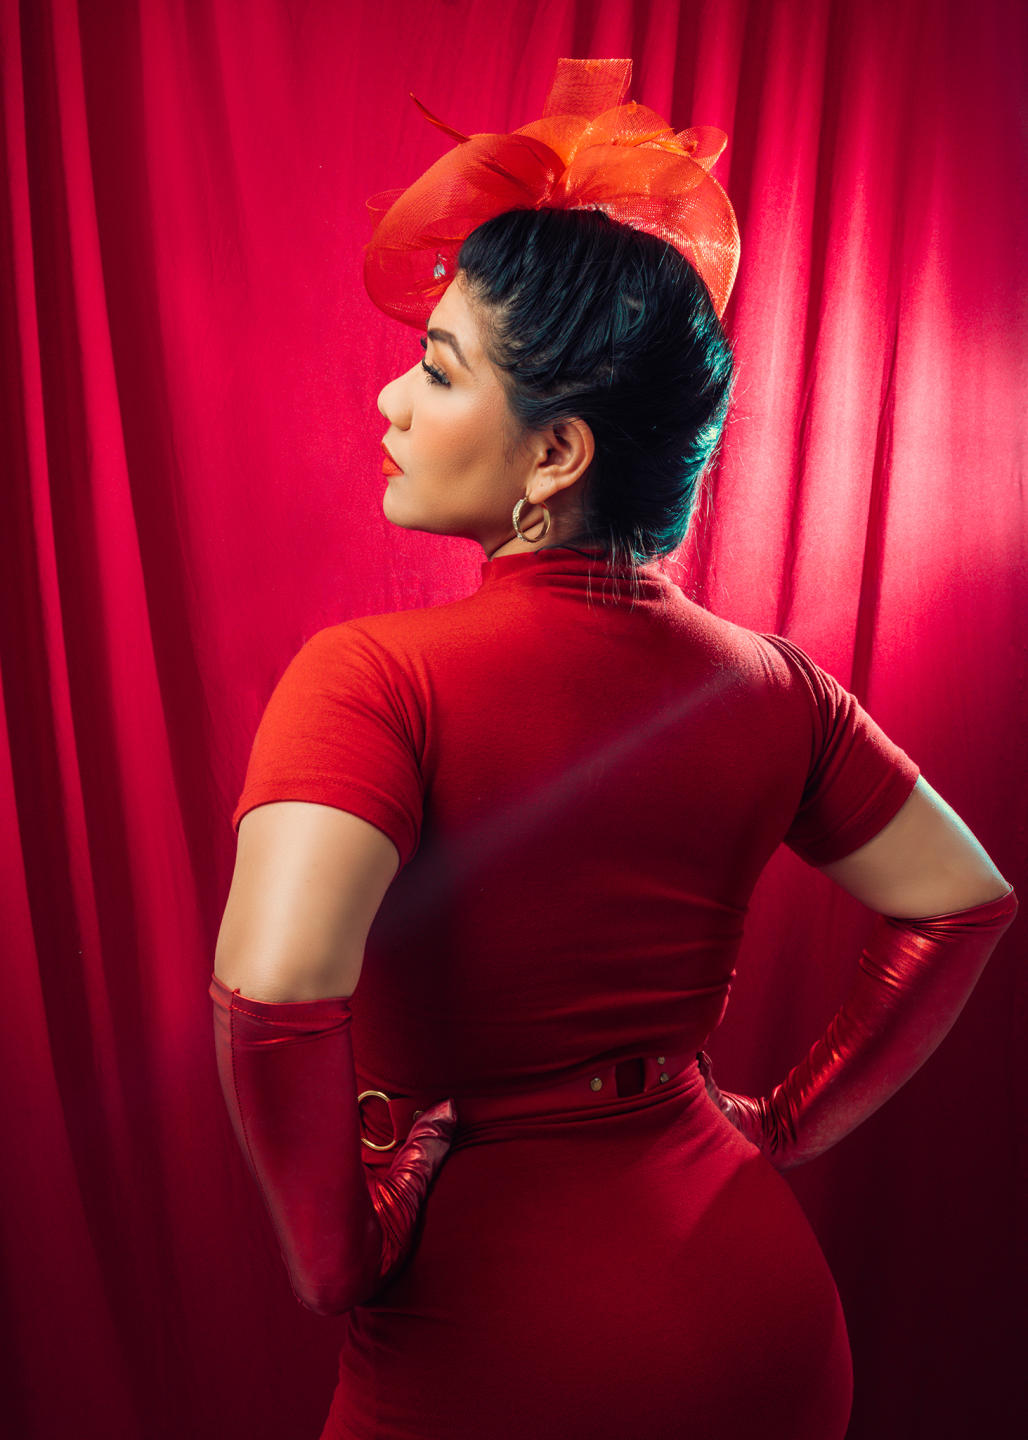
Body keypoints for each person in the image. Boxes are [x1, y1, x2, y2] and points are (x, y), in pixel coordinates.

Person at [209, 60, 1017, 1440]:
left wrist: (341, 1257)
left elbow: (277, 984)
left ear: (556, 455)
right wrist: (784, 1124)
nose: (391, 401)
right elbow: (965, 899)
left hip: (496, 1351)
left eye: (437, 369)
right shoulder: (780, 688)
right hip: (757, 1311)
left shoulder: (370, 681)